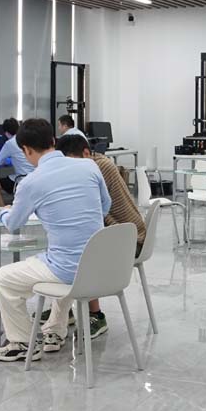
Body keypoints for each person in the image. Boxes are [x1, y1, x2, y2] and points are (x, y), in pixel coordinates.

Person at [0, 119, 111, 362]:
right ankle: (54, 330)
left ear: (26, 150)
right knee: (60, 259)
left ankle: (23, 342)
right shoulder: (89, 166)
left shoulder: (30, 182)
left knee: (4, 278)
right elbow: (104, 207)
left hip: (67, 269)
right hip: (99, 265)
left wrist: (3, 211)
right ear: (53, 141)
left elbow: (13, 223)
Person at [56, 134, 145, 339]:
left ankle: (95, 315)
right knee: (71, 247)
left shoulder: (97, 168)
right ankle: (62, 310)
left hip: (129, 240)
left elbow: (91, 211)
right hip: (123, 233)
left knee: (79, 251)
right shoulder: (96, 163)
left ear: (86, 153)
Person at [0, 118, 34, 205]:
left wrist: (8, 160)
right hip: (34, 178)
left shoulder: (10, 143)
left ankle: (3, 209)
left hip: (20, 179)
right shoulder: (28, 139)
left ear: (6, 133)